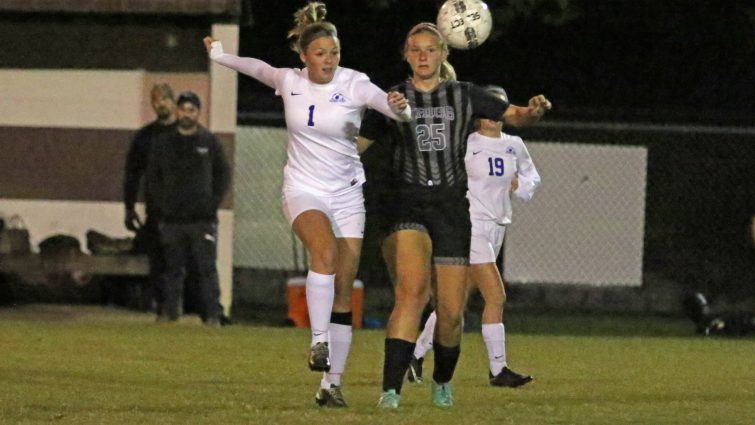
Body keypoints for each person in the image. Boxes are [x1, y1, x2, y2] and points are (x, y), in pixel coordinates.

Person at [203, 1, 411, 408]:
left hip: (347, 192)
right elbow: (257, 68)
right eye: (320, 54)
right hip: (303, 188)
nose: (329, 60)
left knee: (343, 292)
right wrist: (220, 56)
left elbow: (387, 105)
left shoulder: (354, 82)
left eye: (334, 52)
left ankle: (331, 386)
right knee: (324, 252)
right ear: (304, 56)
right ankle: (318, 342)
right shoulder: (290, 80)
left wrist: (398, 108)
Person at [357, 23, 551, 408]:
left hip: (450, 209)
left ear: (445, 54)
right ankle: (390, 390)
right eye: (416, 49)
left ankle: (442, 380)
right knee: (411, 294)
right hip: (407, 205)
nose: (424, 56)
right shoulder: (392, 99)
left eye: (431, 49)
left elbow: (515, 116)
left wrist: (535, 111)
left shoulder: (464, 95)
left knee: (449, 313)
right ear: (406, 55)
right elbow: (357, 145)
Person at [407, 86, 539, 388]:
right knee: (496, 296)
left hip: (498, 224)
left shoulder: (514, 144)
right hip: (471, 225)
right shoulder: (466, 144)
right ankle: (498, 370)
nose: (493, 114)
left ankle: (415, 355)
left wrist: (522, 186)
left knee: (456, 301)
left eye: (500, 107)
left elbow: (532, 176)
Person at [146, 91, 231, 326]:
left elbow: (223, 174)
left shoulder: (209, 142)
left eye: (191, 110)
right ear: (177, 111)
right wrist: (162, 205)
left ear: (198, 113)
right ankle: (170, 313)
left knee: (206, 269)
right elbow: (153, 178)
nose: (186, 114)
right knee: (172, 269)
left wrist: (211, 204)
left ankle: (213, 315)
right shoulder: (163, 144)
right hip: (172, 220)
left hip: (202, 219)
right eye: (183, 110)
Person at [123, 83, 177, 313]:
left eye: (164, 98)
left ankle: (178, 305)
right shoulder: (145, 137)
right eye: (156, 100)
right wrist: (129, 207)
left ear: (172, 102)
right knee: (157, 260)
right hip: (155, 208)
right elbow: (132, 173)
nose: (160, 103)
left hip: (182, 211)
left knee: (179, 260)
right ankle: (161, 307)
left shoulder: (186, 133)